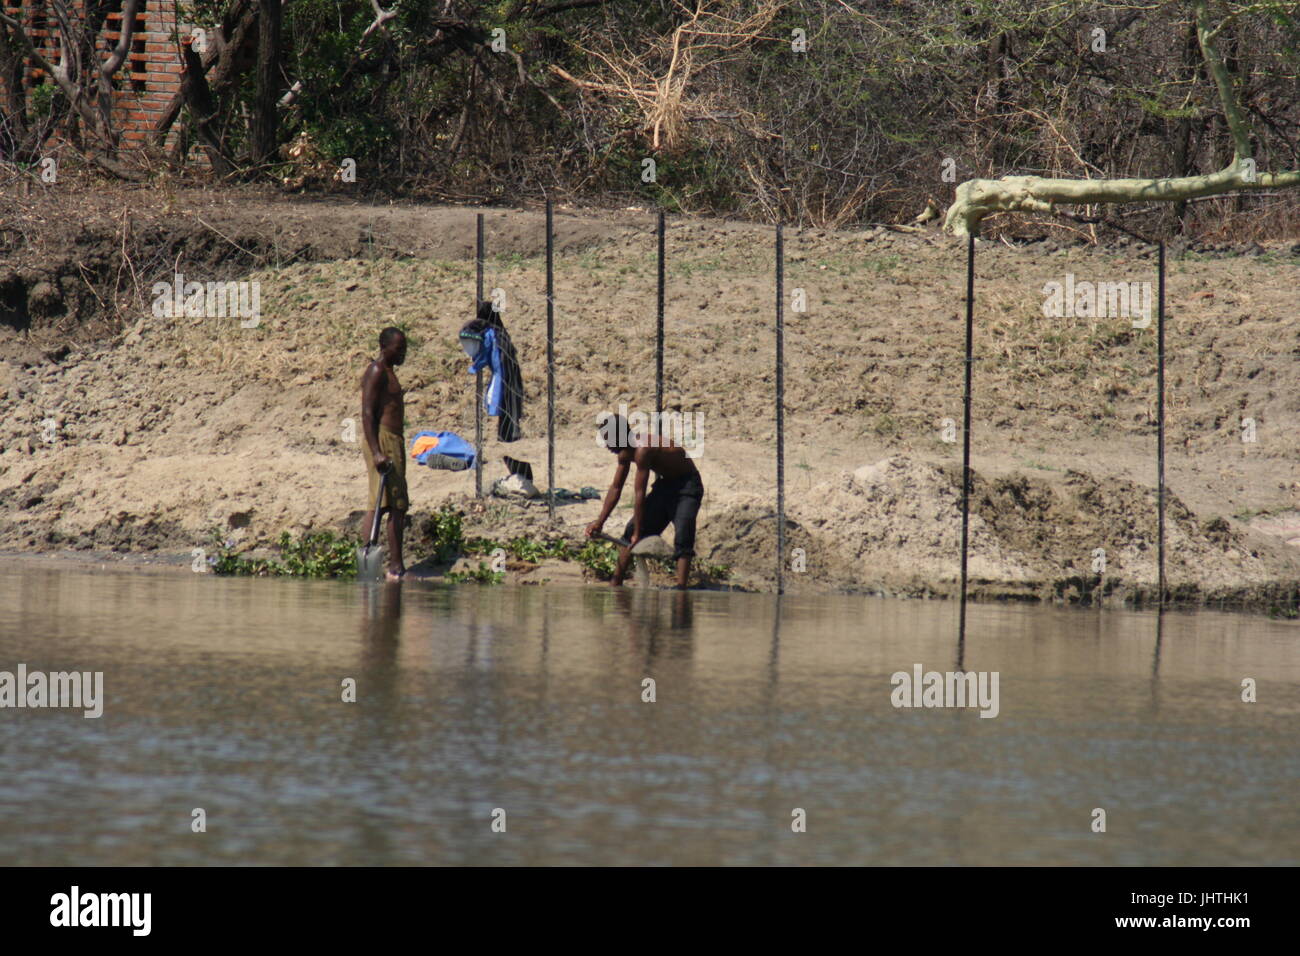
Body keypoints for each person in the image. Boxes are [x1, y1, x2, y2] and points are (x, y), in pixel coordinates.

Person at [586, 413, 703, 589]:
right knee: (630, 531)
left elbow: (639, 493)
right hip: (666, 485)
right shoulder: (625, 454)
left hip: (687, 485)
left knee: (684, 533)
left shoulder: (643, 449)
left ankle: (681, 590)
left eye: (609, 440)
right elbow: (616, 488)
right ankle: (616, 583)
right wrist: (599, 522)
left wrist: (639, 533)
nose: (607, 446)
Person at [361, 327, 409, 581]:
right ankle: (394, 568)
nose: (403, 353)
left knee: (392, 503)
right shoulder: (377, 371)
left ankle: (389, 567)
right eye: (399, 348)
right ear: (385, 346)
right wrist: (377, 452)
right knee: (389, 504)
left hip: (393, 440)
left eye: (405, 348)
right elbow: (367, 413)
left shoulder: (389, 372)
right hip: (382, 439)